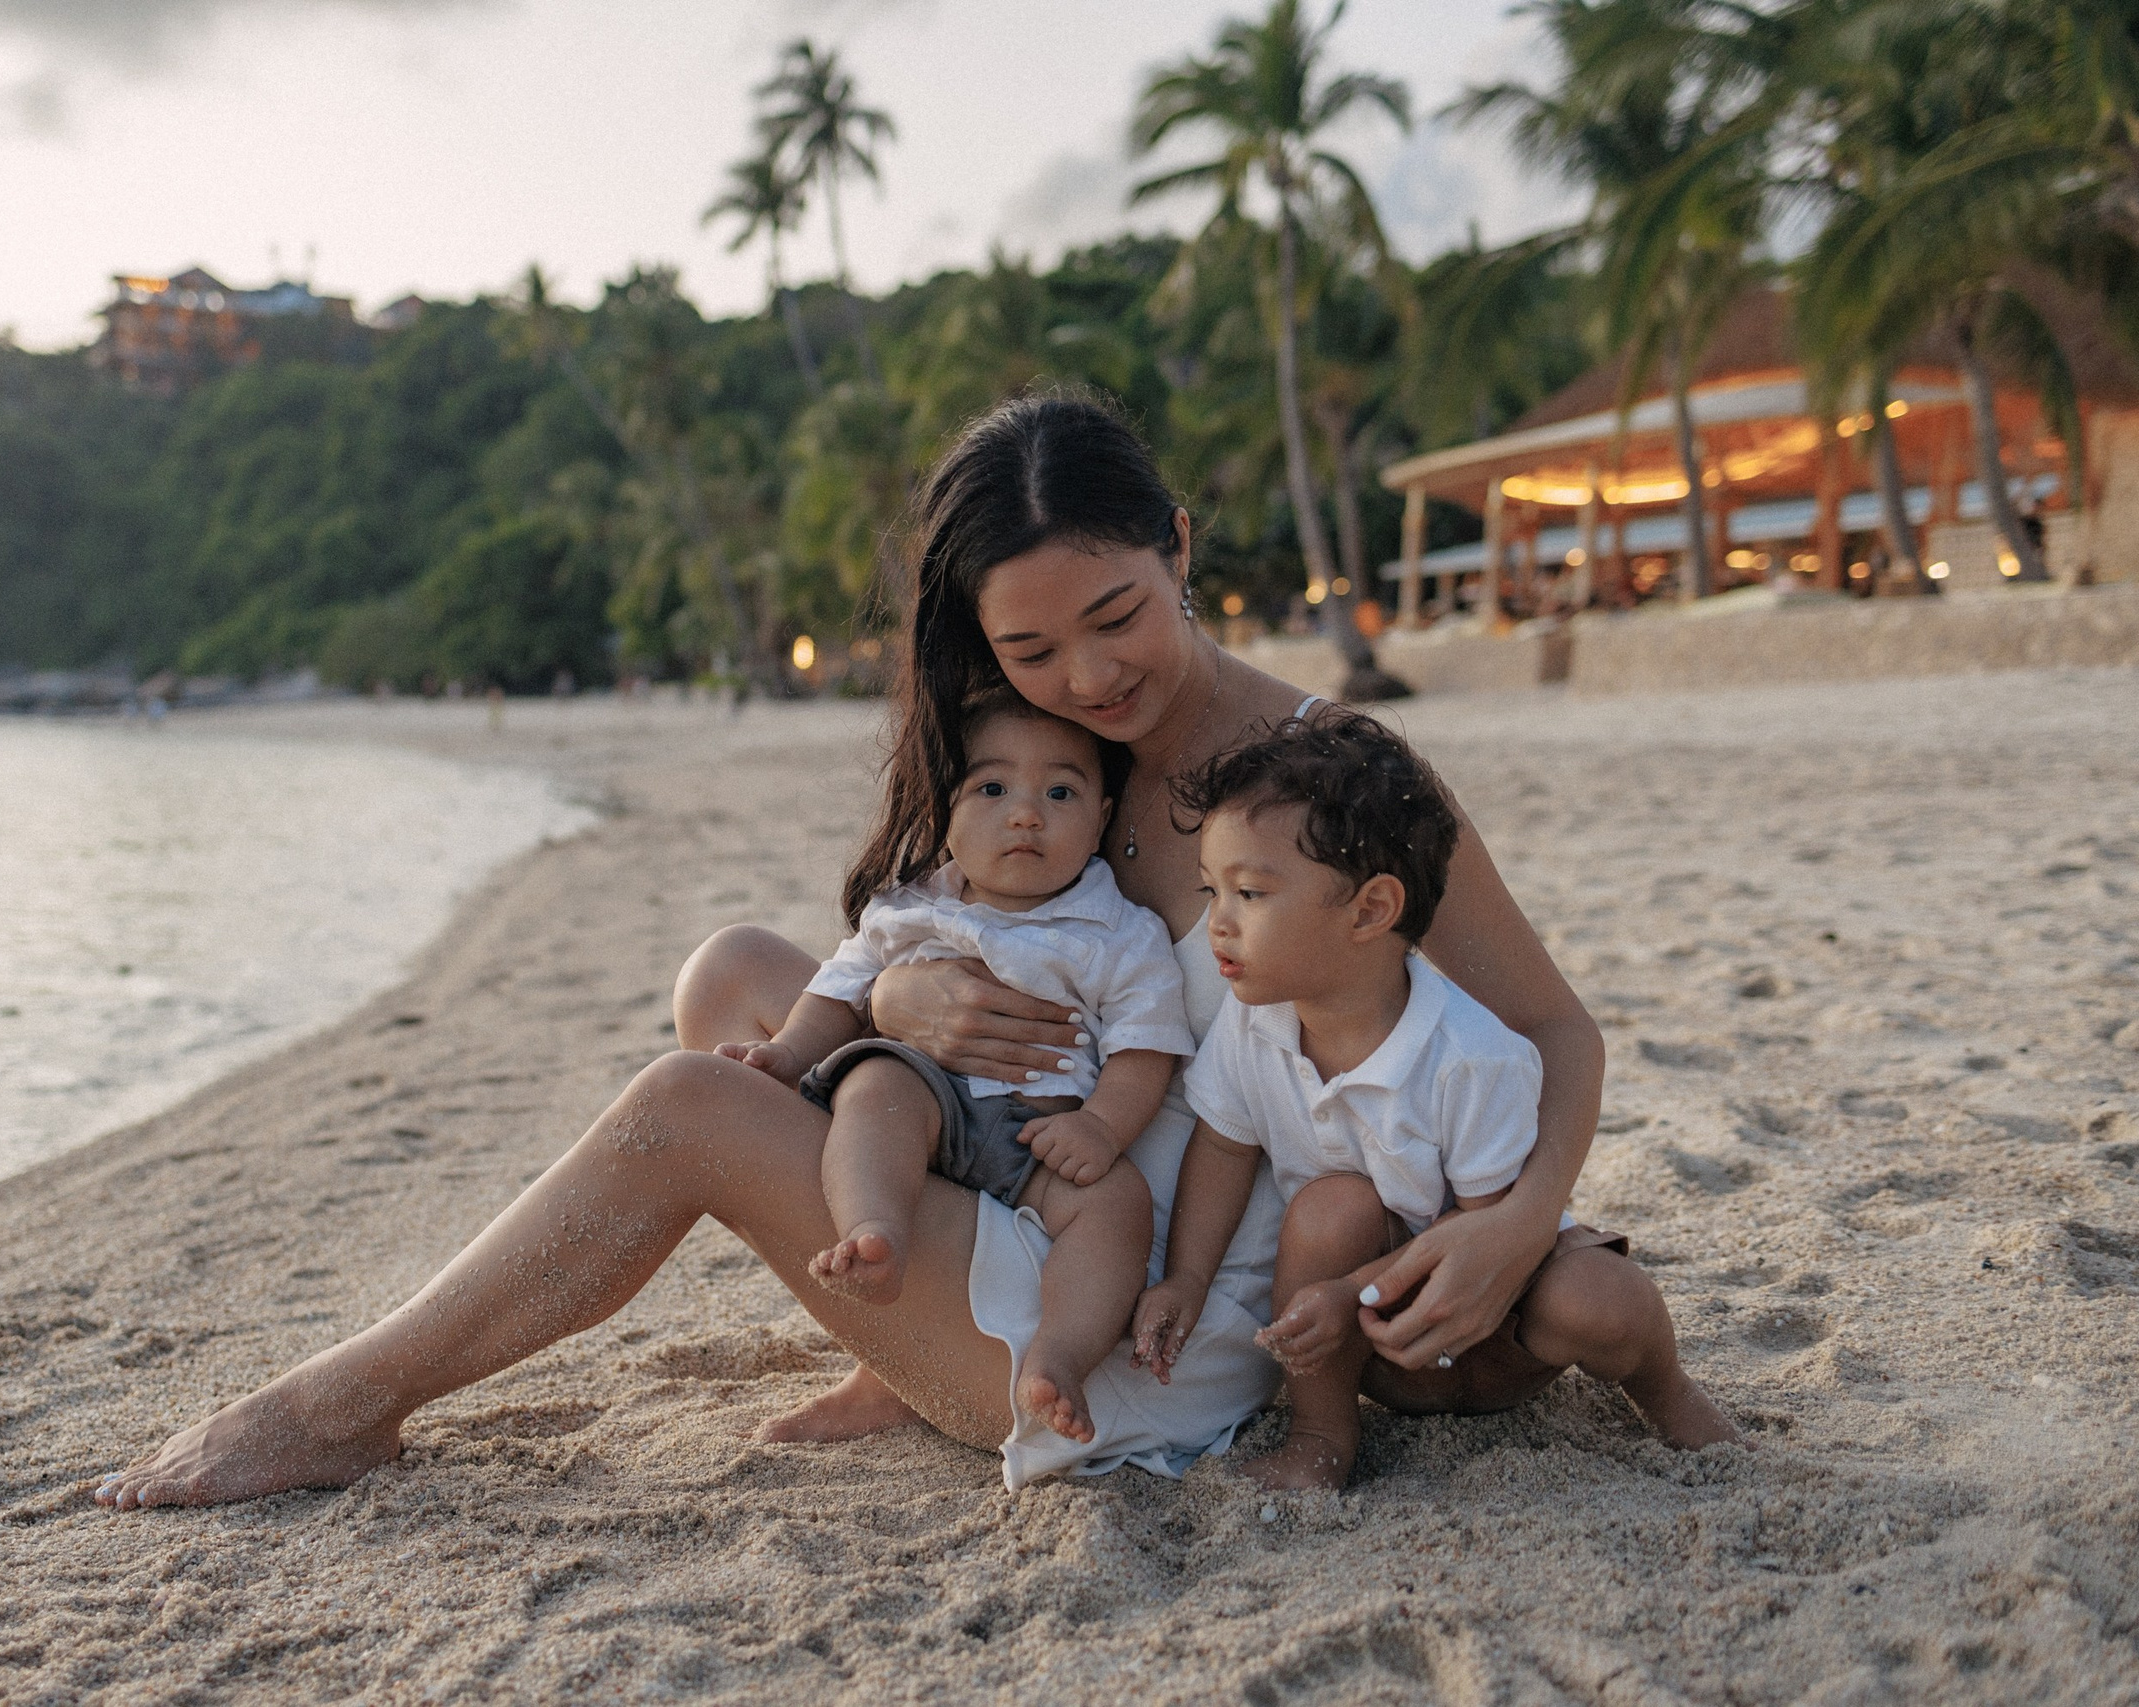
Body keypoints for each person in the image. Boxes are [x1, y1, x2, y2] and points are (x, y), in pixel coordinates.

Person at [93, 393, 1631, 1510]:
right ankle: (895, 1342)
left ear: (1178, 546)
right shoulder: (1044, 758)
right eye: (1031, 649)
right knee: (735, 976)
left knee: (688, 1104)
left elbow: (1558, 1030)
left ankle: (344, 1403)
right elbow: (916, 938)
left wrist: (1517, 1226)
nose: (1090, 676)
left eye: (1117, 616)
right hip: (1014, 1165)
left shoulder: (1332, 780)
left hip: (1141, 1301)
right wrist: (897, 992)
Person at [1128, 713, 1736, 1491]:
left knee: (1601, 1298)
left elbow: (1489, 1233)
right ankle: (1321, 1435)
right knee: (1328, 1210)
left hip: (1503, 1326)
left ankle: (1669, 1392)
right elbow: (1222, 1145)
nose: (1218, 921)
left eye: (1249, 892)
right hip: (1378, 1350)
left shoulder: (1470, 1054)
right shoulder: (1253, 1026)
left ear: (1371, 909)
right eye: (1211, 889)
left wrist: (1349, 1290)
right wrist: (1186, 1278)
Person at [719, 689, 1192, 1446]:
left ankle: (1059, 1355)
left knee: (1119, 1204)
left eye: (1060, 792)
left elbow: (1146, 1047)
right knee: (874, 1089)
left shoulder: (1120, 932)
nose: (1026, 814)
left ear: (1102, 816)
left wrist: (1103, 1127)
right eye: (993, 788)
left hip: (1038, 1134)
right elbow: (840, 989)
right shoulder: (910, 907)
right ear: (945, 809)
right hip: (927, 1093)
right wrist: (791, 1050)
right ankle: (876, 1231)